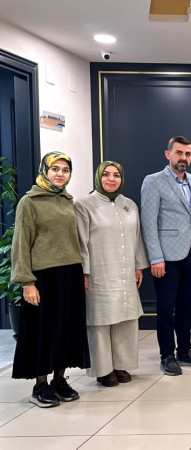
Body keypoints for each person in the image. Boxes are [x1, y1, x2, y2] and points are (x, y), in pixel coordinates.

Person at [11, 151, 89, 407]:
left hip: (70, 274)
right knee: (43, 331)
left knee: (65, 328)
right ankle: (40, 385)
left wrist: (82, 272)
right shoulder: (29, 202)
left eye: (65, 170)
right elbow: (21, 244)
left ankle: (58, 380)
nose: (60, 174)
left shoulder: (67, 200)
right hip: (43, 277)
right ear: (45, 170)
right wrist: (26, 282)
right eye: (55, 169)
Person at [141, 136, 191, 376]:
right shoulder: (153, 181)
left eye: (188, 154)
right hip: (167, 258)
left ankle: (184, 350)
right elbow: (148, 224)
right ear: (168, 154)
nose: (183, 157)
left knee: (186, 306)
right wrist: (155, 258)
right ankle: (167, 355)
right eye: (179, 152)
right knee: (165, 309)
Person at [75, 161, 149, 387]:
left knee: (126, 317)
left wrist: (138, 265)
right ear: (98, 177)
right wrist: (84, 271)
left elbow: (137, 236)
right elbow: (80, 241)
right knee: (100, 320)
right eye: (106, 174)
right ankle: (103, 369)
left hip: (126, 270)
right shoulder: (84, 205)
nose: (111, 179)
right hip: (99, 271)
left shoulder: (129, 205)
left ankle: (120, 364)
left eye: (116, 175)